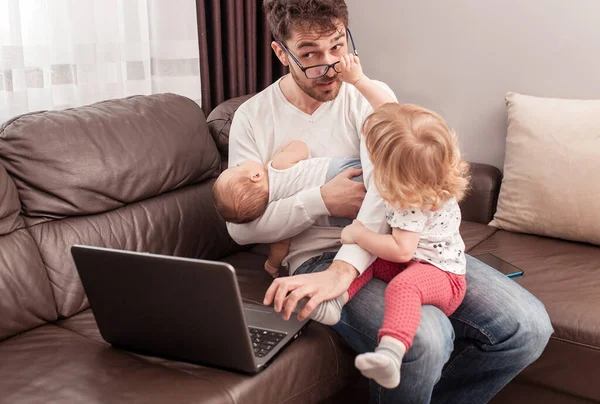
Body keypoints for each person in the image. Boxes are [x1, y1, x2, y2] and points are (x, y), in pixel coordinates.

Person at [227, 0, 553, 402]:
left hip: (405, 243)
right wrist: (321, 200)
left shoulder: (368, 99)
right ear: (281, 52)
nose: (330, 66)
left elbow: (384, 198)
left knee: (527, 326)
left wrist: (346, 271)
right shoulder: (251, 118)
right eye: (310, 55)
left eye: (337, 46)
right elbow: (241, 228)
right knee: (426, 340)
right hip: (319, 256)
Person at [212, 139, 362, 277]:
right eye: (238, 166)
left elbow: (281, 245)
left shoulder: (275, 213)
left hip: (339, 216)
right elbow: (300, 146)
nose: (240, 163)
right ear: (256, 176)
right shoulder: (277, 167)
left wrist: (272, 264)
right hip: (340, 174)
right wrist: (279, 155)